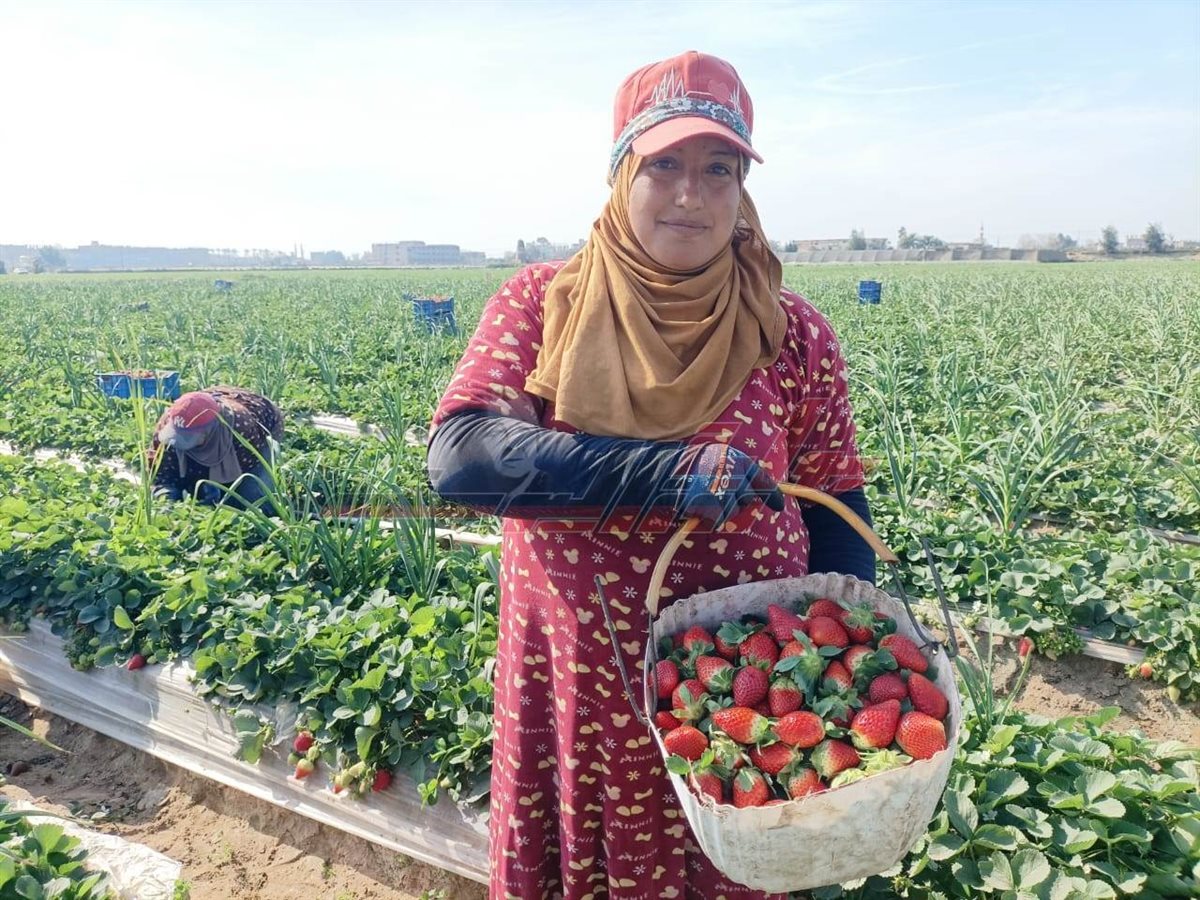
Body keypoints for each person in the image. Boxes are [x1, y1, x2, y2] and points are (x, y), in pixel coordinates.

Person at [427, 51, 873, 900]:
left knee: (731, 865)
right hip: (580, 689)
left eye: (718, 169)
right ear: (620, 174)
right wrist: (664, 475)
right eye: (663, 165)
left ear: (743, 186)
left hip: (743, 701)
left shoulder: (791, 333)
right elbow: (464, 456)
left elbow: (836, 503)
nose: (689, 195)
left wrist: (846, 654)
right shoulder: (544, 303)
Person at [148, 386, 283, 508]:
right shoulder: (167, 426)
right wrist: (166, 499)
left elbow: (243, 471)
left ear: (209, 431)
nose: (180, 440)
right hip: (211, 407)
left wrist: (215, 493)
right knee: (191, 487)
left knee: (252, 497)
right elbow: (160, 474)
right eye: (178, 434)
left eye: (188, 436)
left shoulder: (240, 428)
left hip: (265, 426)